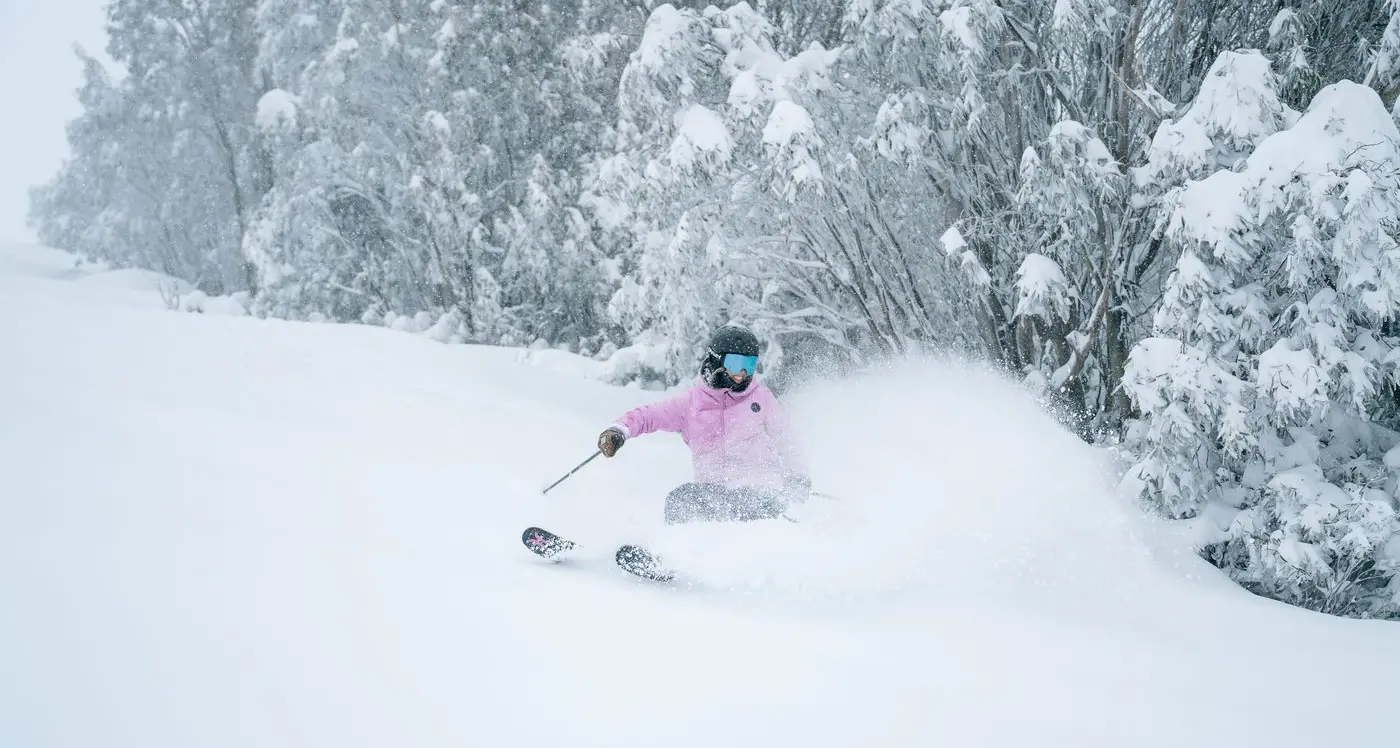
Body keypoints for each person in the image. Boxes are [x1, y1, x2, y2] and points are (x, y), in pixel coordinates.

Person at [597, 324, 811, 524]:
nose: (743, 373)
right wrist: (620, 430)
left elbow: (787, 440)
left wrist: (798, 478)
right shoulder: (691, 404)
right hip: (714, 493)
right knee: (680, 500)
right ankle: (675, 548)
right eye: (736, 364)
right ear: (717, 360)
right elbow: (649, 415)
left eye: (750, 365)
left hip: (760, 490)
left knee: (745, 504)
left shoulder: (761, 399)